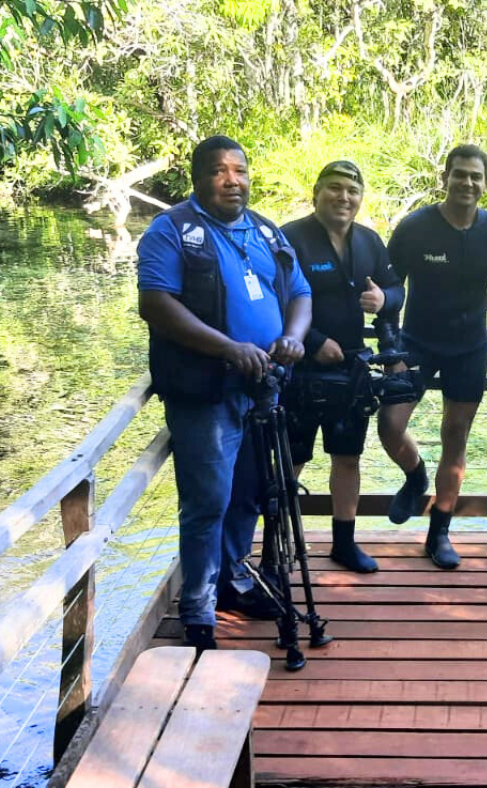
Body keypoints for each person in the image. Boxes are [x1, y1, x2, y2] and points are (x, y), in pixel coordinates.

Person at [137, 135, 312, 651]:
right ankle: (198, 610)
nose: (232, 180)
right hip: (206, 392)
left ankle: (234, 581)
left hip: (264, 390)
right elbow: (157, 305)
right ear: (198, 177)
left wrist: (293, 338)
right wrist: (227, 348)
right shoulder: (171, 231)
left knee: (249, 497)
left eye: (239, 170)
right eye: (219, 171)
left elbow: (300, 293)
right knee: (208, 501)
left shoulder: (265, 230)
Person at [378, 144, 487, 569]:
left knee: (456, 435)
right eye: (460, 174)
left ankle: (439, 534)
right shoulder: (415, 227)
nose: (467, 183)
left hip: (469, 346)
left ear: (486, 184)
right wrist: (393, 350)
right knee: (389, 425)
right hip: (416, 341)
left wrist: (479, 308)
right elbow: (389, 293)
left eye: (476, 176)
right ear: (445, 178)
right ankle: (415, 474)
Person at [280, 160, 404, 573]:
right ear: (316, 192)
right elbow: (272, 298)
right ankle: (278, 544)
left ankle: (344, 543)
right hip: (299, 366)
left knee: (347, 457)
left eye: (352, 191)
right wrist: (313, 342)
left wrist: (385, 302)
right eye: (334, 188)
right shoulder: (291, 238)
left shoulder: (369, 241)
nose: (343, 197)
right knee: (291, 459)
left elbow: (395, 290)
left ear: (360, 198)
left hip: (352, 369)